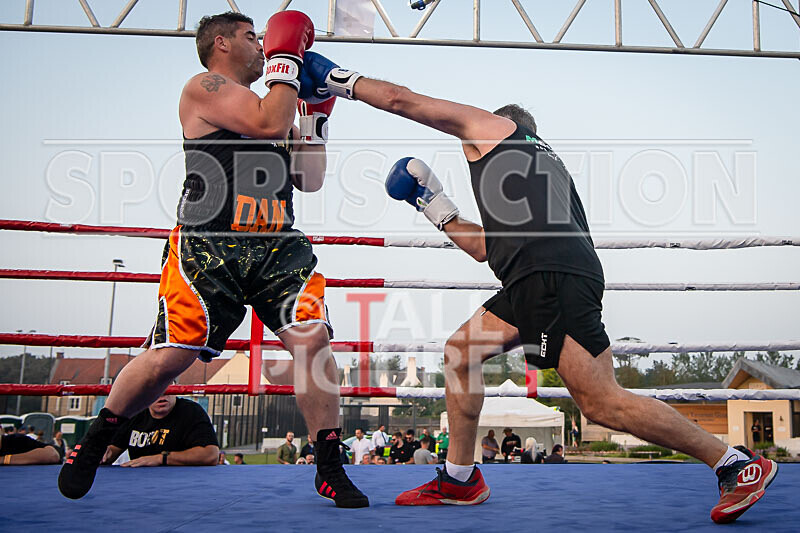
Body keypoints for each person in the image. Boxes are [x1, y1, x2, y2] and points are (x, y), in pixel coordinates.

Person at [296, 51, 778, 523]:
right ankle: (461, 478)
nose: (465, 145)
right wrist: (432, 204)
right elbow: (488, 249)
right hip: (534, 282)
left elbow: (403, 99)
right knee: (460, 353)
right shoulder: (539, 170)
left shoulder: (498, 132)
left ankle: (735, 463)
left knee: (601, 402)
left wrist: (340, 80)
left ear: (498, 125)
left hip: (549, 282)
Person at [57, 10, 367, 508]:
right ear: (220, 43)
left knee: (314, 341)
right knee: (172, 358)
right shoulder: (203, 86)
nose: (263, 45)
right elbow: (268, 121)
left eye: (267, 39)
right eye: (252, 37)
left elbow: (308, 177)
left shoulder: (279, 102)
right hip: (209, 243)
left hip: (276, 243)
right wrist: (288, 65)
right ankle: (94, 443)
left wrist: (318, 116)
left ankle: (328, 466)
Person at [99, 395, 219, 467]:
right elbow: (112, 450)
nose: (162, 394)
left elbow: (211, 455)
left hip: (181, 483)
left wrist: (161, 459)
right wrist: (102, 454)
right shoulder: (135, 413)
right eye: (158, 387)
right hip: (139, 483)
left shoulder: (191, 411)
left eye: (167, 386)